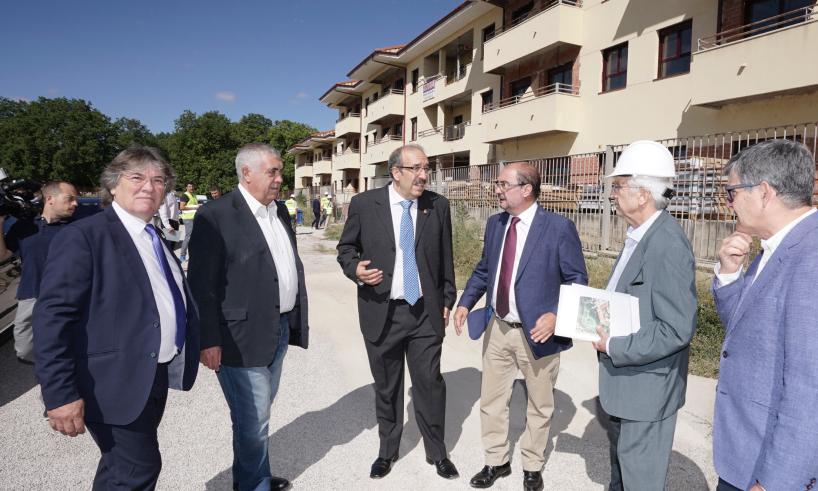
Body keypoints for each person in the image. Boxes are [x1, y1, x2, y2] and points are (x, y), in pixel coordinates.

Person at [33, 146, 200, 489]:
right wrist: (60, 394)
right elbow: (52, 320)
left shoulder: (152, 236)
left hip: (150, 375)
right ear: (112, 186)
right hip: (110, 382)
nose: (148, 187)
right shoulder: (84, 237)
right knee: (139, 470)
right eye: (136, 177)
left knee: (119, 469)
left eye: (158, 180)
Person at [712, 139, 818, 491]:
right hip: (747, 450)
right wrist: (728, 274)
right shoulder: (776, 246)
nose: (729, 204)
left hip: (778, 469)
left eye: (731, 193)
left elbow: (816, 392)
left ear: (764, 192)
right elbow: (742, 330)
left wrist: (776, 482)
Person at [454, 163, 588, 491]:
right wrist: (466, 301)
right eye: (497, 184)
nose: (496, 189)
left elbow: (577, 279)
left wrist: (557, 315)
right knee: (492, 400)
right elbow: (485, 269)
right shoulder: (496, 224)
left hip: (538, 333)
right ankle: (496, 461)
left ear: (526, 189)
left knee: (539, 404)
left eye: (503, 184)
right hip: (498, 327)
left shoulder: (558, 228)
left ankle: (531, 465)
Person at [188, 143, 308, 491]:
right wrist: (208, 339)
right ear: (247, 173)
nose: (280, 178)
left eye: (280, 171)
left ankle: (255, 477)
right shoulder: (217, 215)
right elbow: (202, 285)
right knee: (253, 419)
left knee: (254, 416)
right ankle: (254, 485)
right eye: (273, 171)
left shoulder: (280, 211)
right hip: (238, 337)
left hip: (278, 327)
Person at [337, 144, 459, 481]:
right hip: (382, 311)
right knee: (387, 387)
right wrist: (355, 270)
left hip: (424, 313)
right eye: (416, 168)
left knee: (429, 384)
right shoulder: (364, 204)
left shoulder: (437, 205)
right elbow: (346, 249)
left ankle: (437, 452)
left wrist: (447, 298)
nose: (424, 175)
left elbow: (445, 257)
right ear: (396, 172)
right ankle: (387, 451)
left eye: (426, 167)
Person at [591, 141, 698, 491]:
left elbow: (675, 328)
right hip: (628, 388)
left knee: (640, 482)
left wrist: (615, 346)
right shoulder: (640, 235)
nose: (612, 194)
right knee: (623, 478)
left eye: (618, 186)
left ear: (642, 194)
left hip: (646, 392)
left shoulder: (665, 244)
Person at [11, 181, 78, 365]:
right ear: (50, 199)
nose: (75, 203)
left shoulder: (76, 228)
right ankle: (48, 366)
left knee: (63, 345)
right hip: (31, 294)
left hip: (64, 297)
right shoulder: (25, 227)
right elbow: (3, 254)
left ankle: (55, 379)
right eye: (69, 199)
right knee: (24, 348)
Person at [178, 182, 198, 262]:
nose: (191, 188)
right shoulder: (185, 195)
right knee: (188, 237)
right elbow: (181, 207)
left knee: (194, 237)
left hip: (194, 218)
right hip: (188, 219)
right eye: (189, 186)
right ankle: (182, 256)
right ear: (186, 187)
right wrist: (195, 207)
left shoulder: (194, 195)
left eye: (192, 186)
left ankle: (193, 255)